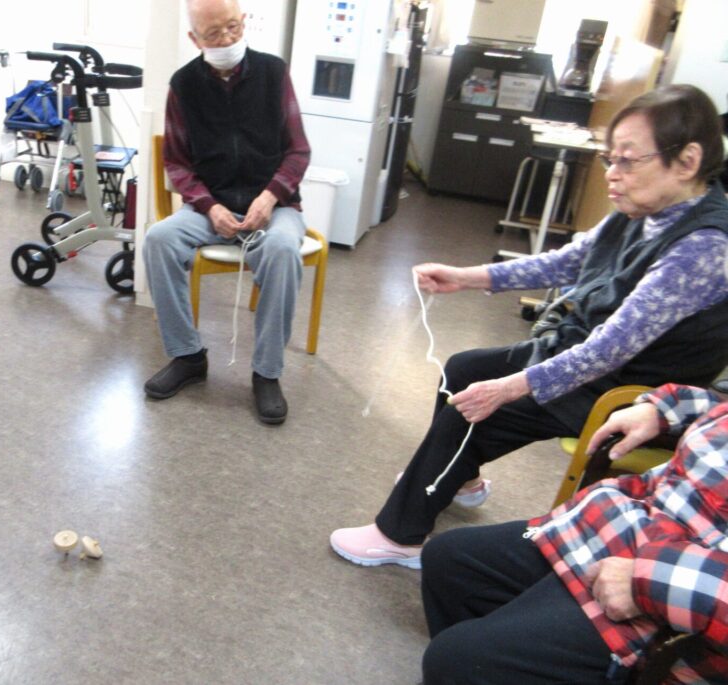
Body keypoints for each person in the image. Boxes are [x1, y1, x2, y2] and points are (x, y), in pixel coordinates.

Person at [330, 84, 728, 568]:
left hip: (630, 392)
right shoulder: (646, 207)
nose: (612, 174)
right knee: (462, 369)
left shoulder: (703, 247)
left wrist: (509, 388)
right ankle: (460, 479)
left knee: (471, 407)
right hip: (593, 358)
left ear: (687, 162)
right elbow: (569, 261)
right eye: (610, 159)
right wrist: (467, 277)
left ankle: (401, 535)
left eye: (627, 160)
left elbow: (609, 350)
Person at [420, 383, 728, 684]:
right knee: (448, 560)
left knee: (457, 660)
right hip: (621, 529)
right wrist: (665, 407)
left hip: (674, 596)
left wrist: (648, 580)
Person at [142, 0, 310, 425]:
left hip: (275, 205)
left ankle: (267, 373)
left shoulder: (273, 73)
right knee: (158, 240)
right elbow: (177, 163)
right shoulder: (183, 85)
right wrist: (209, 206)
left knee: (282, 251)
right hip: (209, 207)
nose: (228, 38)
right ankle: (188, 356)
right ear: (194, 38)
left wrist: (269, 196)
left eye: (233, 27)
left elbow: (298, 151)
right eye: (214, 33)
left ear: (244, 21)